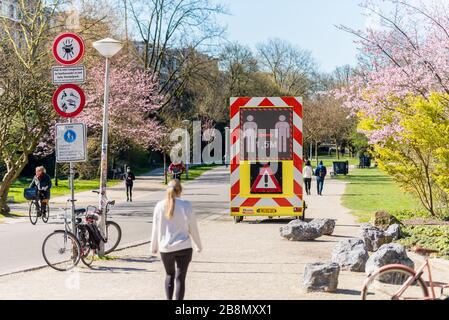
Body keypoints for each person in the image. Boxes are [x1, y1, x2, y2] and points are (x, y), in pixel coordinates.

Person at [151, 179, 202, 300]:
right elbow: (193, 227)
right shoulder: (186, 205)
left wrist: (154, 247)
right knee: (180, 278)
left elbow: (155, 228)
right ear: (180, 191)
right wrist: (198, 245)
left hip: (166, 248)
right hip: (184, 247)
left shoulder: (159, 206)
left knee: (169, 275)